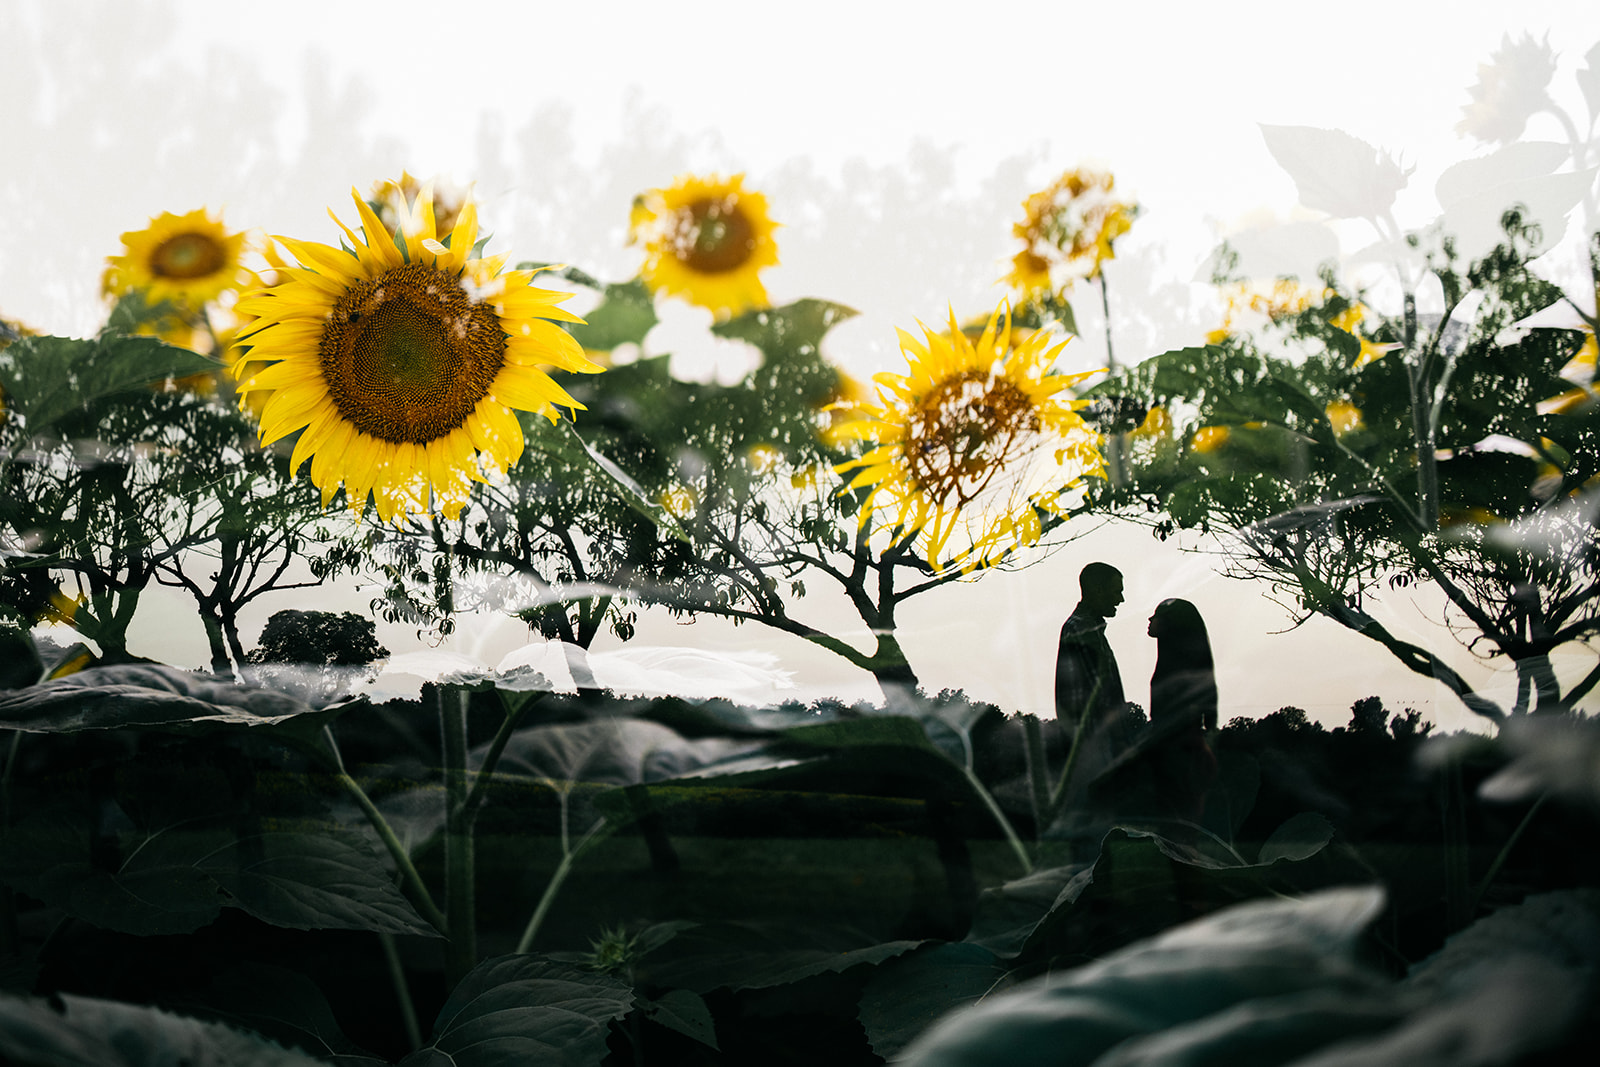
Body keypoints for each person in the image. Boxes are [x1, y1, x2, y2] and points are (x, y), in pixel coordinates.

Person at [1146, 598, 1220, 822]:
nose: (1150, 619)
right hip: (1177, 743)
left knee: (1177, 815)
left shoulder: (1176, 677)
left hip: (1175, 746)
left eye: (1157, 614)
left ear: (1171, 623)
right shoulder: (1176, 666)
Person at [1055, 562, 1126, 731]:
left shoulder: (1087, 627)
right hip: (1096, 741)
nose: (1121, 599)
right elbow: (1101, 695)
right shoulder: (1082, 628)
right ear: (1098, 591)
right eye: (1117, 592)